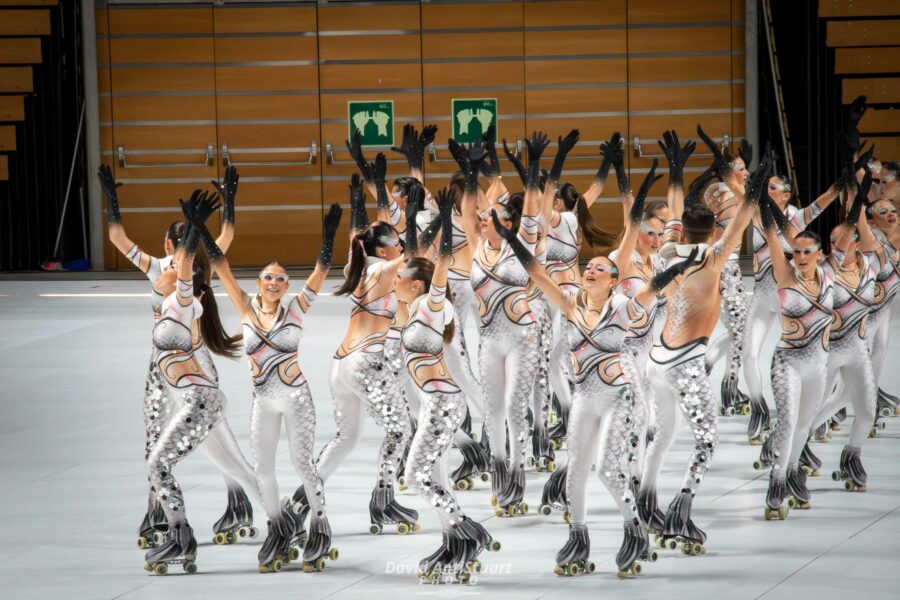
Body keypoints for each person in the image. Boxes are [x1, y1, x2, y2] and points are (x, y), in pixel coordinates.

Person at [493, 168, 695, 576]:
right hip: (584, 398)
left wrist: (674, 263)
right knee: (575, 472)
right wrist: (509, 235)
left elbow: (654, 283)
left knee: (606, 466)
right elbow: (537, 272)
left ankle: (633, 527)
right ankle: (578, 536)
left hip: (618, 397)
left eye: (600, 269)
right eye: (589, 267)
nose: (590, 269)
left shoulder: (623, 306)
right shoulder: (570, 301)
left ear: (614, 280)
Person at [97, 165, 256, 551]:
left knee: (158, 441)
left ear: (168, 244)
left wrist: (112, 199)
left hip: (166, 367)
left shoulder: (160, 269)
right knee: (217, 435)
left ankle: (159, 516)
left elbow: (117, 237)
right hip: (198, 364)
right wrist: (230, 201)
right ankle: (237, 503)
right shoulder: (199, 267)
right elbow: (228, 234)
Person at [638, 133, 770, 555]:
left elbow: (675, 213)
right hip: (685, 364)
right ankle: (682, 506)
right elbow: (742, 221)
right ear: (711, 228)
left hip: (656, 361)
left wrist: (676, 172)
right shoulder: (713, 257)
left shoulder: (667, 253)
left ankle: (646, 500)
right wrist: (753, 190)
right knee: (706, 440)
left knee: (664, 433)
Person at [199, 203, 343, 572]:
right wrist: (202, 229)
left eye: (280, 278)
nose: (275, 282)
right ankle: (278, 530)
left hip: (296, 398)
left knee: (302, 464)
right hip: (263, 399)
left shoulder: (296, 308)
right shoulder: (244, 307)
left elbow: (321, 272)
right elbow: (221, 267)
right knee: (262, 469)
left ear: (286, 286)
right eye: (268, 277)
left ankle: (319, 528)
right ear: (259, 283)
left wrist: (328, 239)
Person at [294, 154, 419, 535]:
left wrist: (356, 205)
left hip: (340, 364)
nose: (399, 246)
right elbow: (412, 257)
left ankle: (301, 500)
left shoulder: (359, 265)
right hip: (367, 361)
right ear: (383, 251)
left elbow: (357, 237)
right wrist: (411, 216)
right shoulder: (382, 269)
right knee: (400, 431)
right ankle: (382, 499)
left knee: (347, 437)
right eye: (394, 243)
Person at [143, 192, 265, 575]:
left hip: (199, 400)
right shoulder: (170, 300)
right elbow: (183, 265)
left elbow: (185, 266)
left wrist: (195, 229)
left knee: (158, 463)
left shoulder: (181, 298)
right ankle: (288, 523)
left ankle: (181, 536)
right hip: (199, 398)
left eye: (171, 271)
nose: (161, 275)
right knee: (240, 468)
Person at [400, 189, 499, 583]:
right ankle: (450, 542)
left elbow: (435, 273)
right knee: (436, 478)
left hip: (443, 404)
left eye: (401, 277)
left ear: (415, 285)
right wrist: (412, 222)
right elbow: (418, 260)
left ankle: (467, 531)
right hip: (432, 404)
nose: (395, 279)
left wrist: (442, 223)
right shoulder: (411, 307)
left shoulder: (431, 305)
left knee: (415, 475)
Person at [454, 133, 544, 516]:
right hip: (489, 338)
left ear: (507, 222)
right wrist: (472, 172)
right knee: (493, 409)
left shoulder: (520, 243)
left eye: (490, 218)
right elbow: (467, 210)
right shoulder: (477, 245)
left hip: (523, 337)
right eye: (483, 218)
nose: (482, 220)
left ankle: (519, 472)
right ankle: (499, 471)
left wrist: (535, 169)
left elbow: (534, 211)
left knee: (512, 406)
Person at [741, 174, 838, 443]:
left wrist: (844, 176)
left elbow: (825, 200)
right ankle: (759, 409)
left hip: (792, 301)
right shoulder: (751, 215)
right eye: (765, 186)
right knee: (748, 355)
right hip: (761, 296)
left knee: (811, 359)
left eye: (772, 188)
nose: (766, 190)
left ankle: (818, 414)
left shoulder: (796, 220)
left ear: (785, 195)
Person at [754, 197, 833, 519]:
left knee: (804, 425)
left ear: (821, 256)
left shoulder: (831, 277)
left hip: (819, 363)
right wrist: (762, 200)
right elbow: (774, 236)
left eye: (806, 252)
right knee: (787, 422)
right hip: (787, 361)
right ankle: (776, 482)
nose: (799, 257)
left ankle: (791, 473)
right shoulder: (785, 274)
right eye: (796, 251)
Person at [804, 171, 880, 495]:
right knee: (811, 409)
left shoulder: (872, 265)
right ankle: (794, 449)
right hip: (830, 352)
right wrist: (853, 197)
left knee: (866, 411)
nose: (838, 245)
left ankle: (852, 456)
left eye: (843, 240)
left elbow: (862, 230)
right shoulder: (827, 273)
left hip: (858, 353)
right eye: (833, 242)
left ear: (857, 243)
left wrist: (859, 193)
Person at [697, 129, 753, 421]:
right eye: (742, 168)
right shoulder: (725, 193)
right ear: (729, 171)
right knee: (738, 331)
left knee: (736, 329)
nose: (747, 172)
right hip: (725, 265)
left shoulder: (716, 189)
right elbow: (750, 214)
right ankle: (726, 386)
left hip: (719, 265)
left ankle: (726, 384)